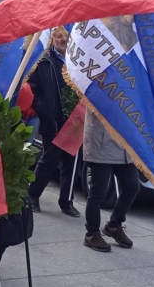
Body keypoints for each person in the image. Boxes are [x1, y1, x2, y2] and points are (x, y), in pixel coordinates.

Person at [26, 27, 79, 218]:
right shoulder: (44, 60)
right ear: (52, 39)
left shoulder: (77, 60)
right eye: (58, 37)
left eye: (65, 37)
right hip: (53, 119)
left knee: (70, 163)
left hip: (74, 120)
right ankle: (33, 195)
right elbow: (33, 88)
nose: (62, 40)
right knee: (50, 159)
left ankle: (66, 201)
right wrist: (43, 109)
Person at [82, 110, 141, 253]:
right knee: (98, 191)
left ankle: (114, 225)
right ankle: (91, 234)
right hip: (101, 142)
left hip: (124, 145)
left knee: (132, 186)